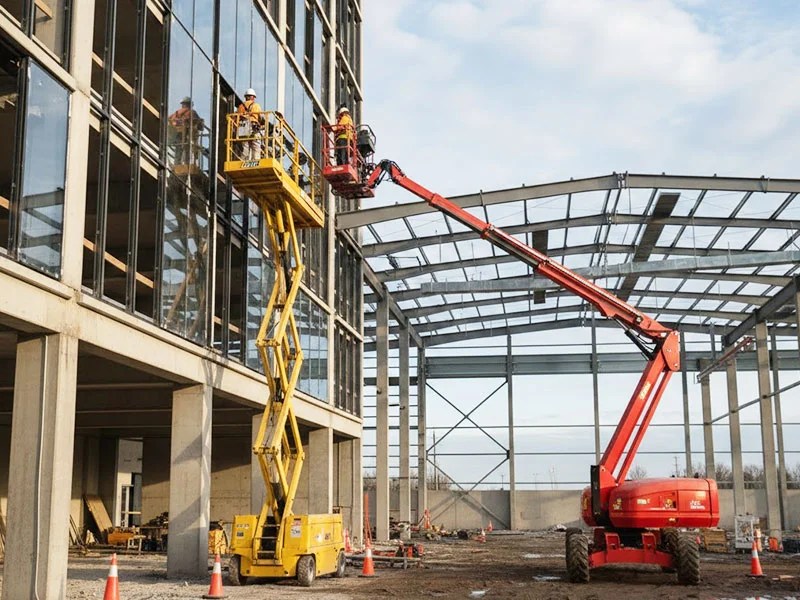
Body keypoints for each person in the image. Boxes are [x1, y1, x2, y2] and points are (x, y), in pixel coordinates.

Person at [168, 96, 203, 167]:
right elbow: (200, 125)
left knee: (179, 150)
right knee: (187, 150)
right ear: (189, 104)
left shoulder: (176, 113)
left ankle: (177, 164)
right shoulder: (192, 112)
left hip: (178, 135)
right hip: (187, 135)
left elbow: (170, 120)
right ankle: (186, 165)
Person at [237, 88, 264, 160]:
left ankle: (243, 160)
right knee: (256, 145)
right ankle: (255, 160)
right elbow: (260, 117)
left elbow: (237, 117)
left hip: (243, 127)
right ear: (253, 97)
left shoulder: (240, 106)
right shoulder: (256, 105)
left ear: (246, 97)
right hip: (253, 126)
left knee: (245, 145)